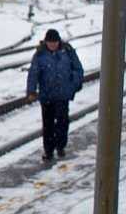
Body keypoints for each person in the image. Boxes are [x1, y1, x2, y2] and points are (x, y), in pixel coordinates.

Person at [26, 29, 84, 161]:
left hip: (63, 94)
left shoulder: (68, 52)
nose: (52, 45)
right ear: (46, 42)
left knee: (63, 122)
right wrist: (31, 90)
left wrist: (74, 85)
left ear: (59, 41)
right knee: (48, 125)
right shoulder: (40, 55)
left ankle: (60, 146)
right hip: (47, 95)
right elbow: (33, 73)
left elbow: (78, 69)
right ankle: (49, 150)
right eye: (50, 42)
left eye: (55, 42)